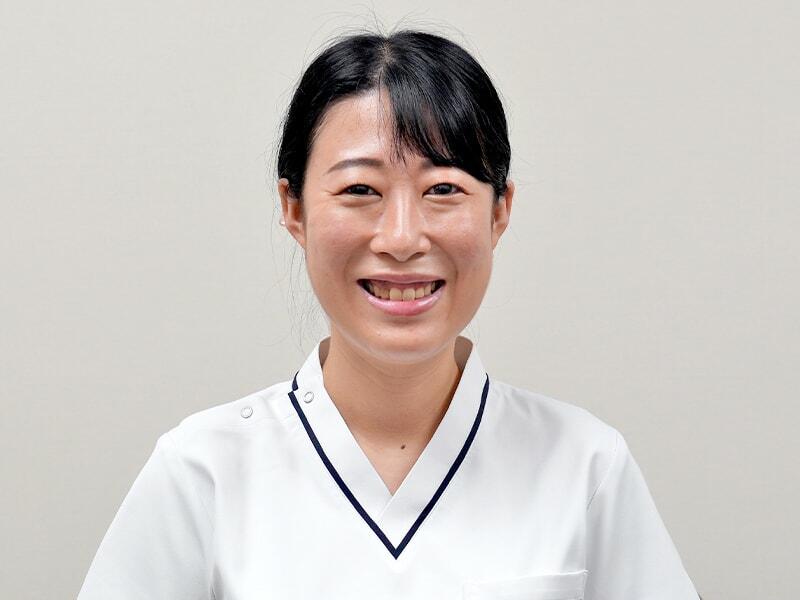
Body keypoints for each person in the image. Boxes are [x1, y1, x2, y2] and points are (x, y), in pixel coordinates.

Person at [77, 28, 701, 600]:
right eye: (360, 190)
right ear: (293, 208)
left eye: (443, 189)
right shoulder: (201, 473)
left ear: (500, 211)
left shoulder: (585, 466)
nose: (401, 238)